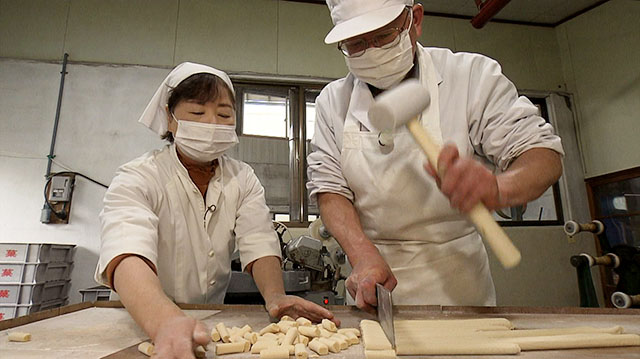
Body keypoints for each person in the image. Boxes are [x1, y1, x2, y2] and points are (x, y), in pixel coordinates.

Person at [307, 0, 564, 312]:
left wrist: (500, 188)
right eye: (356, 44)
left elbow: (543, 154)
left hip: (460, 285)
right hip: (371, 285)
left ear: (415, 19)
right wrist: (361, 254)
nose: (371, 51)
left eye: (383, 36)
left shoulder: (470, 76)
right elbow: (330, 189)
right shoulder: (332, 102)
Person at [95, 62, 337, 358]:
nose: (212, 124)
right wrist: (163, 320)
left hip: (206, 324)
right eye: (197, 113)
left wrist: (276, 297)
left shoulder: (242, 177)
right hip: (139, 325)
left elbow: (259, 241)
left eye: (223, 114)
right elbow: (126, 253)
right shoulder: (139, 176)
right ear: (170, 120)